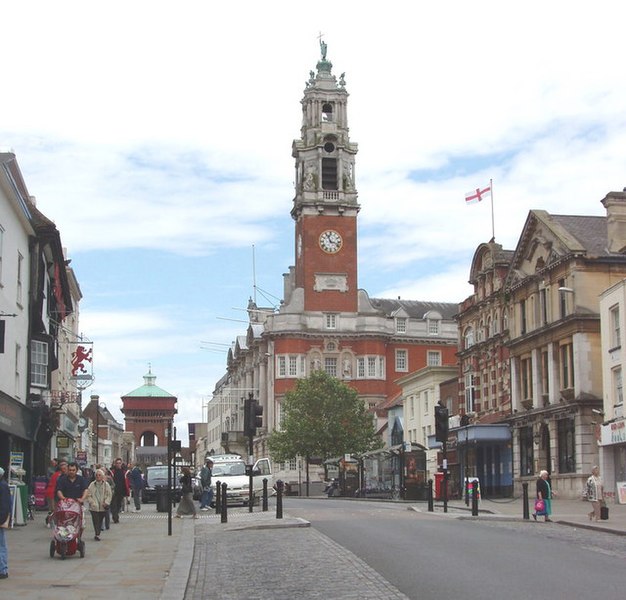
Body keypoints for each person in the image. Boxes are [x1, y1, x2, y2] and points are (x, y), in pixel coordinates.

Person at [87, 469, 112, 541]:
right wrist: (92, 502)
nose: (98, 476)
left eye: (99, 475)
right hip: (94, 507)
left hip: (103, 506)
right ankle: (97, 534)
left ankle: (98, 532)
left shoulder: (106, 484)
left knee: (100, 520)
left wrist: (107, 502)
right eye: (96, 475)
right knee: (95, 520)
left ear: (102, 476)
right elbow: (88, 495)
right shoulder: (92, 484)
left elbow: (109, 494)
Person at [45, 460, 68, 525]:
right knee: (55, 509)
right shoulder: (59, 476)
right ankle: (51, 521)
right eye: (64, 468)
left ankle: (51, 520)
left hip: (51, 492)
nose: (65, 470)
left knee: (53, 509)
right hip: (54, 493)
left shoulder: (55, 474)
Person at [109, 458, 128, 523]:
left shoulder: (124, 472)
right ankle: (115, 517)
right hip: (114, 491)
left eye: (119, 463)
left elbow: (126, 481)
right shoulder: (112, 472)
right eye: (117, 463)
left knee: (119, 504)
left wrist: (127, 489)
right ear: (115, 464)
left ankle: (116, 514)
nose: (118, 464)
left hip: (121, 491)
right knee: (114, 504)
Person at [0, 467, 10, 579]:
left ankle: (2, 569)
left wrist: (1, 520)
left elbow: (4, 505)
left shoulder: (2, 486)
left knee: (1, 545)